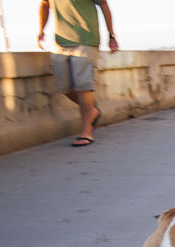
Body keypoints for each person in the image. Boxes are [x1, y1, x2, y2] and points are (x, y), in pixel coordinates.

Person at [38, 0, 119, 147]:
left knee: (83, 85)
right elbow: (44, 5)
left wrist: (111, 36)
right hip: (61, 42)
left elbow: (104, 5)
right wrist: (41, 30)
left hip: (86, 40)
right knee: (63, 88)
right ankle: (92, 111)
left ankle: (86, 131)